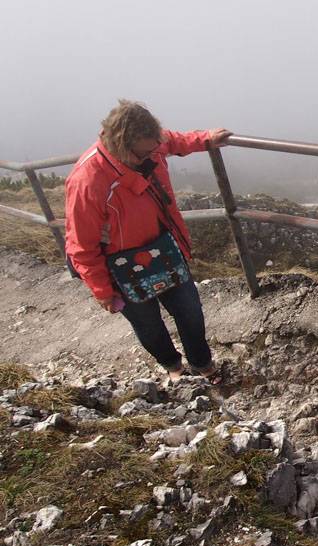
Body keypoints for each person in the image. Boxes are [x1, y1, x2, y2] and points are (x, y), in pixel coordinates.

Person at [64, 99, 232, 382]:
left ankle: (203, 365)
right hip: (117, 265)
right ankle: (173, 367)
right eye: (146, 153)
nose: (154, 155)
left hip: (161, 248)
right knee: (148, 323)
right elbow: (82, 244)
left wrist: (205, 139)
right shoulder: (88, 181)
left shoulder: (148, 146)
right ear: (121, 147)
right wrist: (101, 288)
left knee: (189, 309)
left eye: (155, 148)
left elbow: (172, 141)